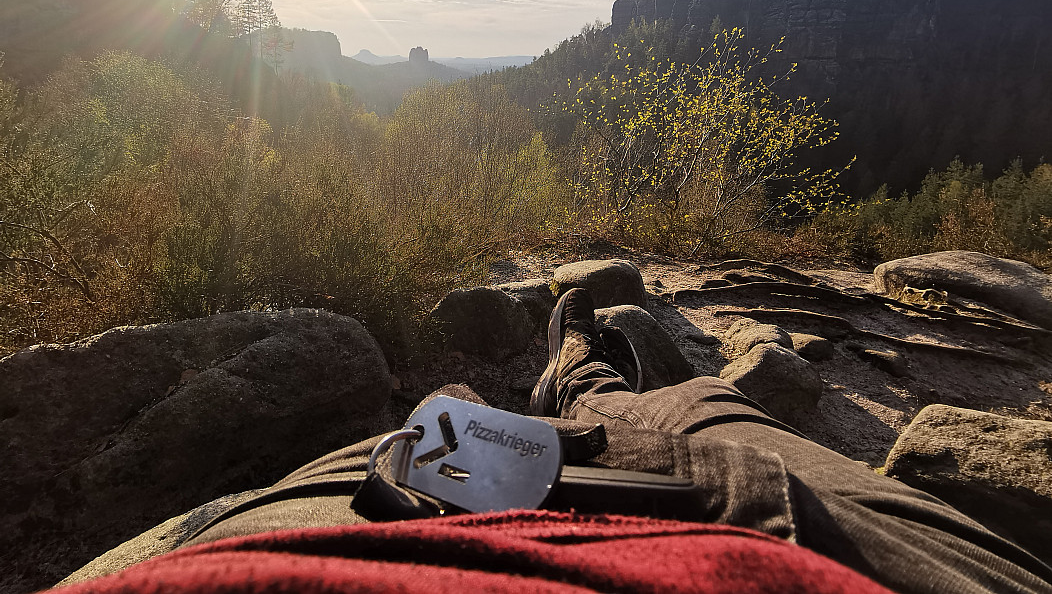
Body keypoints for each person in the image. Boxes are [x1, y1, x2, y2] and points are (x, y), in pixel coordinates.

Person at [56, 289, 1052, 593]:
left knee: (437, 418)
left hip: (332, 535)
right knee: (710, 409)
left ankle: (568, 381)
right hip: (823, 549)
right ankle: (583, 376)